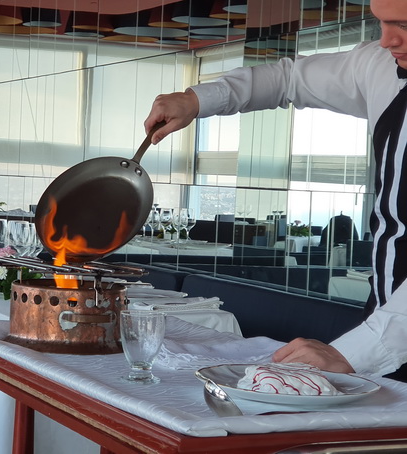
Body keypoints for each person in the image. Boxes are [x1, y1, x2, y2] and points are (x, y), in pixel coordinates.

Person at [145, 0, 407, 379]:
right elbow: (289, 79)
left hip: (386, 337)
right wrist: (196, 99)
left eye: (403, 25)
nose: (386, 40)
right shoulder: (379, 66)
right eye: (380, 22)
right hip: (383, 319)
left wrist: (358, 351)